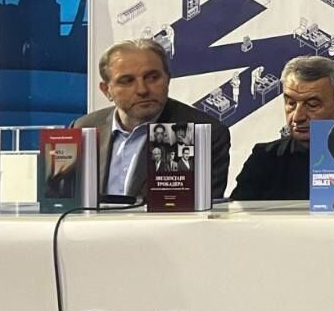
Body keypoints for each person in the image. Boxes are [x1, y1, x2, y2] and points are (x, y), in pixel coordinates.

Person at [74, 38, 230, 201]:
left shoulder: (201, 133)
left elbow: (195, 209)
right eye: (127, 81)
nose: (142, 90)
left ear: (167, 79)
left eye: (152, 78)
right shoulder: (83, 128)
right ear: (106, 90)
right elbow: (66, 200)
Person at [230, 56, 334, 200]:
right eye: (291, 103)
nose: (297, 117)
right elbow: (237, 219)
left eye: (312, 104)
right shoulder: (264, 158)